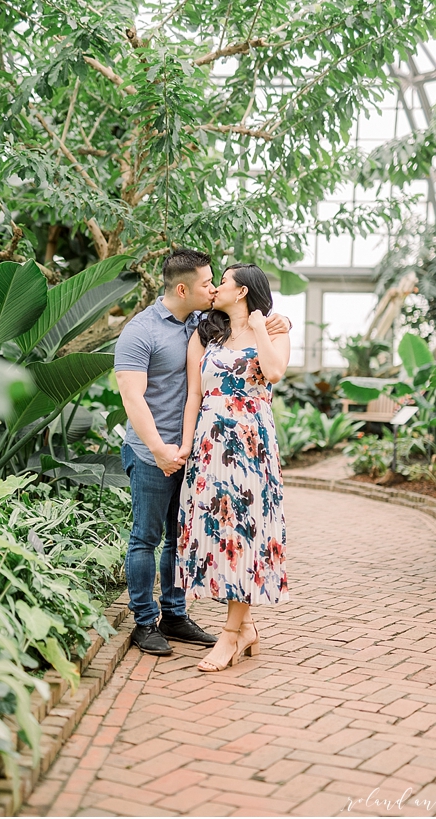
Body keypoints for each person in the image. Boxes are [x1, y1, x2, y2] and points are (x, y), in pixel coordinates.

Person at [114, 249, 289, 657]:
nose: (212, 289)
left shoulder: (202, 322)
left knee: (180, 538)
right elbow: (132, 398)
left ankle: (175, 616)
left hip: (201, 453)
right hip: (153, 450)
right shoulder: (140, 332)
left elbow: (258, 342)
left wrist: (274, 322)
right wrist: (160, 449)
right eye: (207, 284)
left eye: (217, 282)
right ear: (182, 288)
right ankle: (144, 622)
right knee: (146, 537)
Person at [176, 263, 290, 672]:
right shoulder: (205, 334)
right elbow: (194, 393)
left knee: (244, 532)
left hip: (252, 446)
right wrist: (188, 444)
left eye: (222, 281)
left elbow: (274, 371)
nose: (216, 288)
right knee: (220, 532)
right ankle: (247, 629)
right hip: (210, 443)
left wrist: (261, 325)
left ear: (242, 292)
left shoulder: (274, 331)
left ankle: (229, 635)